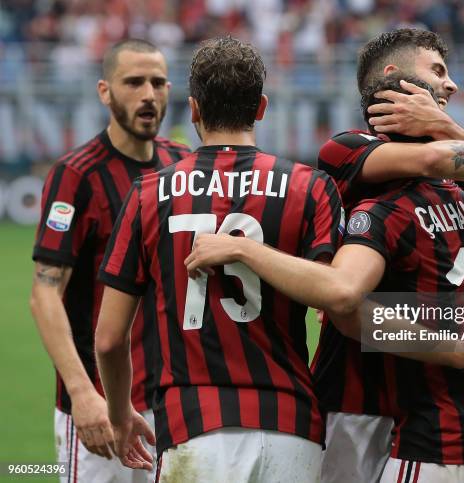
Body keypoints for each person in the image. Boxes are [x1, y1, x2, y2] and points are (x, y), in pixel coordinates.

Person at [183, 71, 464, 483]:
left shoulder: (384, 213)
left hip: (440, 436)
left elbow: (344, 299)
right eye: (437, 73)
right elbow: (459, 172)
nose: (449, 88)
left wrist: (247, 249)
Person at [95, 37, 342, 482]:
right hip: (293, 425)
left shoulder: (149, 194)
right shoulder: (312, 187)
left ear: (192, 109)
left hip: (194, 425)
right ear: (262, 107)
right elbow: (336, 300)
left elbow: (110, 339)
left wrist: (119, 414)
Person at [30, 39, 190, 483]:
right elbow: (45, 294)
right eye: (133, 82)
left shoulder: (182, 168)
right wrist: (82, 393)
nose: (148, 94)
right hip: (103, 412)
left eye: (157, 83)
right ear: (105, 91)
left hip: (175, 406)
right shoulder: (77, 175)